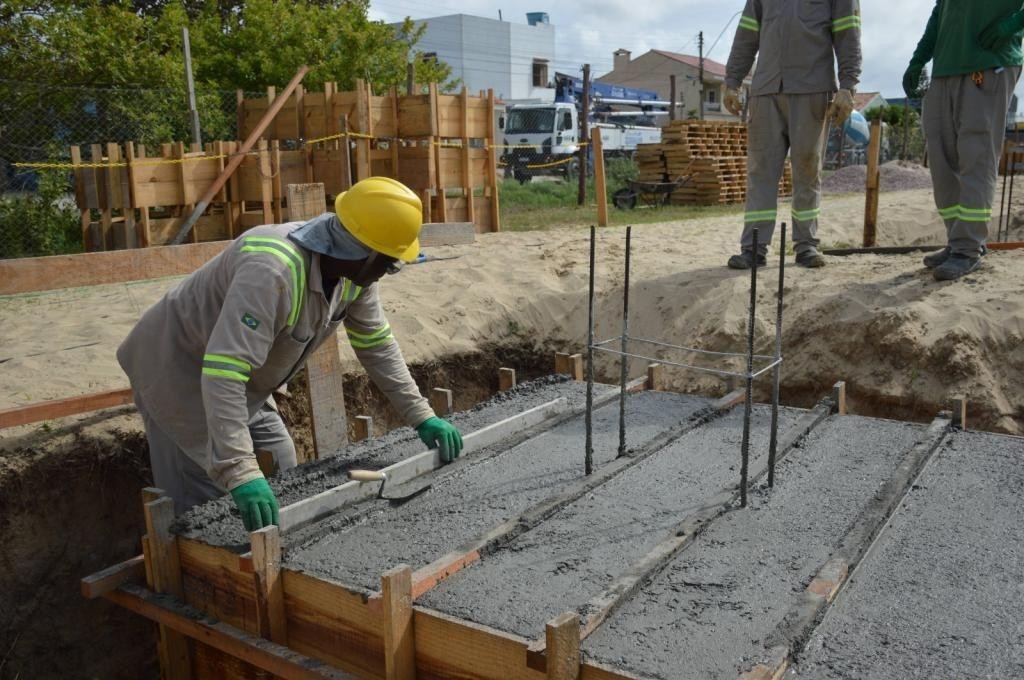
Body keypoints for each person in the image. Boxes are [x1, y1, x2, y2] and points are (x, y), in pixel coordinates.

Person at [117, 177, 463, 531]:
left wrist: (422, 416)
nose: (387, 273)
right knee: (205, 508)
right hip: (177, 372)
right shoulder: (272, 271)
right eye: (388, 263)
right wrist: (240, 472)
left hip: (238, 375)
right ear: (364, 252)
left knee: (283, 467)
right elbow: (224, 372)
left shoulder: (355, 277)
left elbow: (376, 345)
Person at [723, 0, 862, 269]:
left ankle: (806, 245)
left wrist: (848, 86)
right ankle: (753, 248)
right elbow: (747, 33)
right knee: (760, 172)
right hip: (766, 90)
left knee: (807, 169)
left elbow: (848, 33)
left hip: (812, 88)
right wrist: (732, 81)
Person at [904, 1, 1023, 281]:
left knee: (976, 156)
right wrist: (919, 58)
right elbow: (940, 11)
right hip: (945, 67)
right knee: (942, 161)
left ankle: (968, 248)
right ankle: (958, 240)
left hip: (990, 62)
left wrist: (1012, 25)